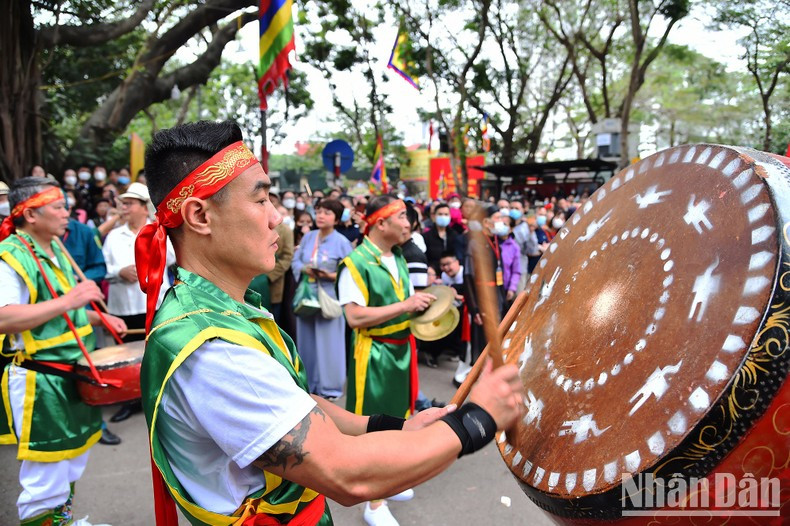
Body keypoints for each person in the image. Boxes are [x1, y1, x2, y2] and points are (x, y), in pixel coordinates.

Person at [135, 121, 522, 526]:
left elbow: (293, 403)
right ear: (199, 215)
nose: (277, 219)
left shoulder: (225, 309)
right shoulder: (213, 348)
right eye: (261, 199)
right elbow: (347, 474)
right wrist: (477, 419)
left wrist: (394, 427)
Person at [0, 177, 127, 526]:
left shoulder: (56, 249)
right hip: (40, 380)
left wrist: (98, 318)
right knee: (46, 476)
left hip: (68, 373)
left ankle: (64, 522)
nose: (66, 213)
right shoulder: (11, 256)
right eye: (57, 206)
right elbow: (4, 317)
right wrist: (71, 300)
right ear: (29, 213)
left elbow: (56, 311)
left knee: (69, 462)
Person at [338, 195, 442, 524]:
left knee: (399, 419)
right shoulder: (354, 264)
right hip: (375, 355)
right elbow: (354, 318)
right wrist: (405, 306)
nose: (409, 222)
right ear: (380, 223)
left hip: (401, 349)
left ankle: (389, 482)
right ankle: (373, 504)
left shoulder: (397, 255)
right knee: (373, 426)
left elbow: (407, 301)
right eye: (401, 217)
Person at [102, 182, 174, 422]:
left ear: (145, 208)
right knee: (126, 354)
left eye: (131, 203)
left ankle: (157, 398)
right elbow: (105, 266)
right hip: (122, 306)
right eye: (124, 203)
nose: (125, 207)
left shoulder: (159, 232)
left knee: (154, 351)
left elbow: (174, 259)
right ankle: (130, 400)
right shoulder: (114, 236)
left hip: (153, 304)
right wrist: (119, 272)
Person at [291, 198, 352, 399]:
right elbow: (296, 260)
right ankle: (309, 384)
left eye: (327, 213)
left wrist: (329, 276)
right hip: (307, 295)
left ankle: (331, 388)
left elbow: (350, 273)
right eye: (318, 212)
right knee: (306, 341)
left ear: (336, 218)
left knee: (330, 343)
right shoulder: (309, 238)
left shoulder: (342, 242)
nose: (321, 216)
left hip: (330, 296)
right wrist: (305, 269)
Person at [424, 202, 462, 269]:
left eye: (446, 214)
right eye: (440, 214)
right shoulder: (427, 236)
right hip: (433, 273)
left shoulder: (455, 235)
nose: (443, 216)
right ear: (434, 216)